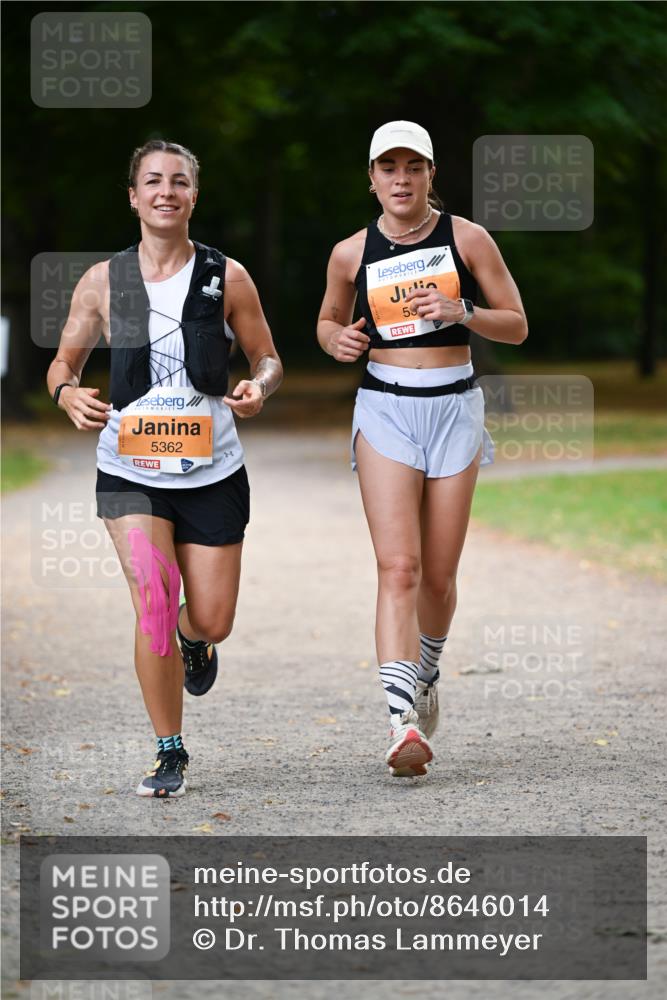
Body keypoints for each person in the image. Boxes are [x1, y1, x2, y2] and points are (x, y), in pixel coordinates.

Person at [46, 139, 282, 797]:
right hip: (128, 470)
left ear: (193, 196)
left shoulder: (226, 276)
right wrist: (67, 393)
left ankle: (194, 639)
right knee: (153, 601)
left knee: (211, 618)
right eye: (152, 181)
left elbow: (268, 356)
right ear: (133, 195)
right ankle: (168, 749)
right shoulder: (102, 280)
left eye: (179, 181)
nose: (165, 191)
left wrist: (259, 386)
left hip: (213, 472)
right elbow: (62, 364)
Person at [317, 121, 527, 777]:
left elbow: (516, 325)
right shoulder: (350, 253)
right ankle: (400, 721)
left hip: (454, 408)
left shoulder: (466, 238)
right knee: (398, 569)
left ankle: (426, 668)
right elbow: (326, 323)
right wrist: (336, 342)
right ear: (371, 176)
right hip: (384, 408)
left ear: (431, 173)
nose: (400, 179)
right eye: (388, 167)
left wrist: (461, 311)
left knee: (437, 576)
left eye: (413, 167)